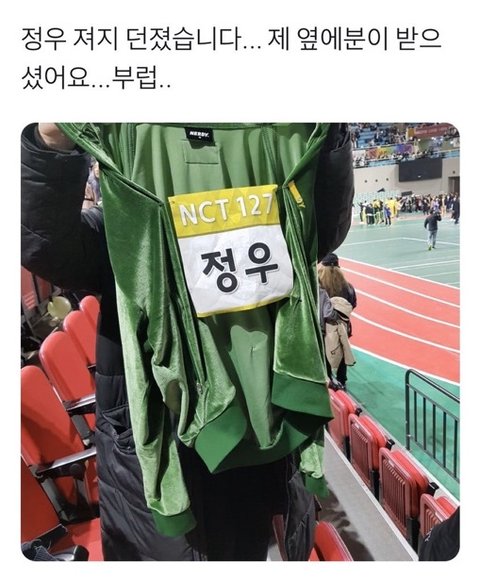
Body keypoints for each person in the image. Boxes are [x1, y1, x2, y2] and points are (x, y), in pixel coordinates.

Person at [21, 122, 355, 561]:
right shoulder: (119, 225)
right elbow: (44, 244)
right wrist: (50, 145)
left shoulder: (263, 197)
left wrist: (329, 136)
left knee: (248, 547)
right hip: (162, 443)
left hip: (259, 430)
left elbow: (319, 231)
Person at [317, 253, 357, 390]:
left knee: (326, 352)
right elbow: (353, 304)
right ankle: (342, 381)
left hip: (324, 327)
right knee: (342, 349)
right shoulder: (347, 286)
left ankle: (328, 380)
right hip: (343, 326)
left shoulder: (319, 287)